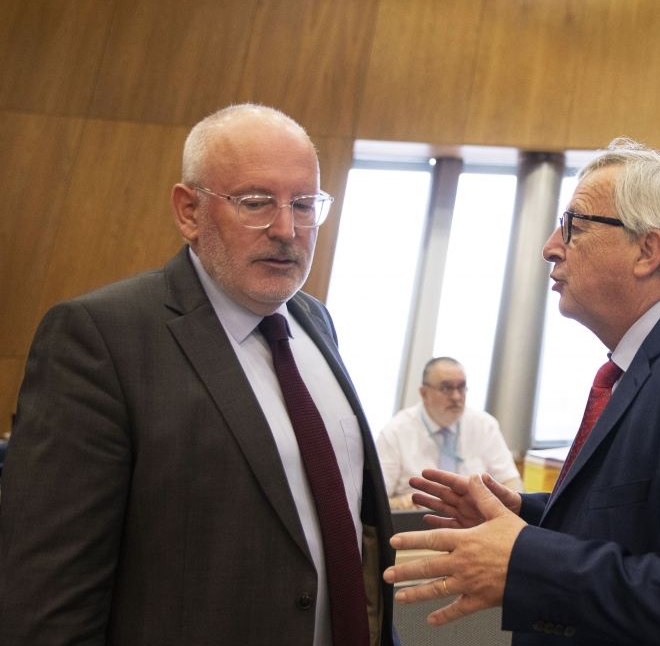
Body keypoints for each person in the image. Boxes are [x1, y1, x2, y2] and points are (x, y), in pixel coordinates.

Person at [384, 138, 660, 645]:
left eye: (574, 227)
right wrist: (523, 517)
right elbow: (640, 520)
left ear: (648, 250)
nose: (550, 246)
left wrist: (525, 559)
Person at [0, 104, 395, 646]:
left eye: (304, 205)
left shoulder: (315, 321)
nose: (286, 230)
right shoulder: (100, 339)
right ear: (189, 211)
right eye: (256, 203)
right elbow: (48, 592)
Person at [376, 356, 521, 509]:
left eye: (461, 387)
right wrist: (400, 504)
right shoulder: (396, 431)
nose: (456, 397)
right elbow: (376, 500)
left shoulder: (484, 425)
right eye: (446, 388)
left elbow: (511, 482)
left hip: (474, 524)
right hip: (416, 524)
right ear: (424, 393)